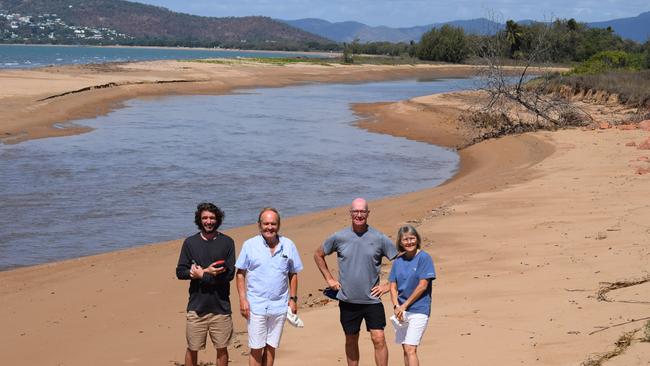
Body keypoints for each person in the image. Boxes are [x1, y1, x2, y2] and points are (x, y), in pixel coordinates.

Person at [314, 198, 398, 366]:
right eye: (356, 212)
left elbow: (400, 261)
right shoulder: (339, 237)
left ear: (368, 213)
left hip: (372, 300)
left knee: (379, 338)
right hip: (348, 300)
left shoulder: (379, 238)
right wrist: (329, 278)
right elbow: (318, 254)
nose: (359, 215)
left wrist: (388, 285)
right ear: (350, 213)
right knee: (351, 339)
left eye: (362, 211)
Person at [236, 207, 303, 366]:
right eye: (266, 224)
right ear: (259, 225)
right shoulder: (249, 245)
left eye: (273, 224)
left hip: (279, 305)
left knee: (271, 346)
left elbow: (293, 273)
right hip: (256, 305)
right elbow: (240, 273)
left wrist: (293, 299)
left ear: (278, 225)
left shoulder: (288, 245)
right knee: (256, 348)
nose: (269, 227)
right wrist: (243, 300)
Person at [176, 202, 236, 366]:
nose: (208, 221)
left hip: (221, 307)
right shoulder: (190, 243)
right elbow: (180, 272)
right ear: (199, 220)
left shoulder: (227, 242)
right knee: (192, 348)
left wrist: (203, 274)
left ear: (217, 219)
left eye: (211, 218)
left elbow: (228, 275)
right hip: (196, 308)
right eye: (205, 218)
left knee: (222, 348)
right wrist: (194, 273)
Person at [389, 225, 436, 366]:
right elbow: (392, 286)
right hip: (401, 312)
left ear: (417, 239)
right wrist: (396, 306)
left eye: (412, 238)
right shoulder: (398, 261)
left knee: (410, 348)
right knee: (405, 348)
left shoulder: (424, 258)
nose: (409, 242)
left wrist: (404, 305)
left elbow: (423, 285)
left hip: (419, 309)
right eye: (405, 239)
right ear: (400, 242)